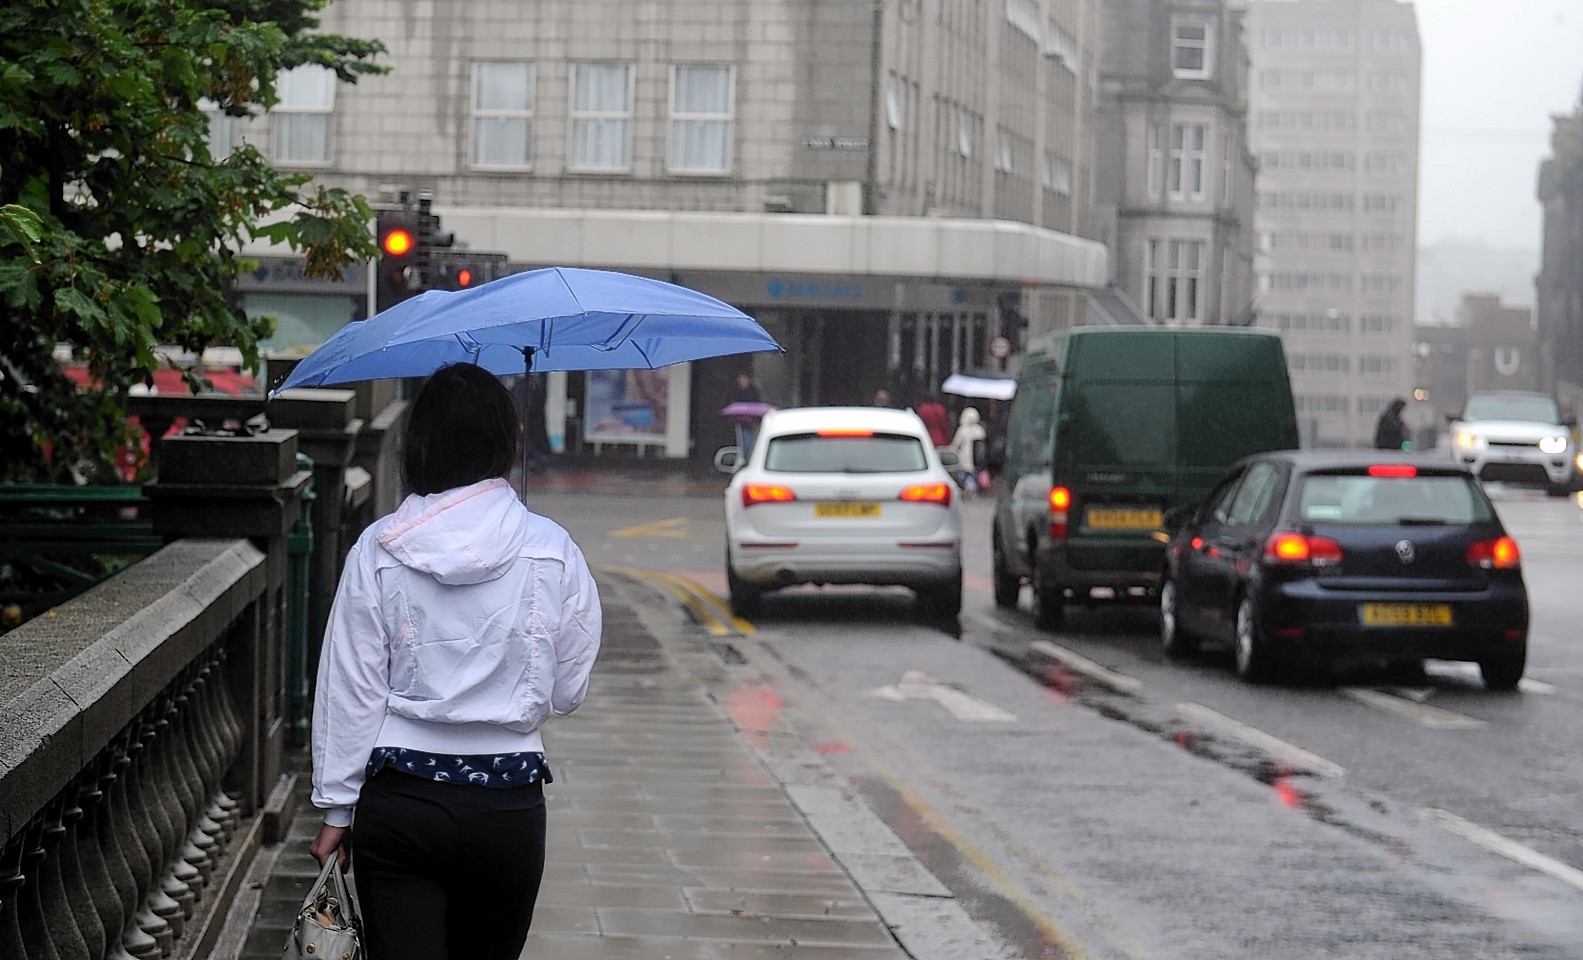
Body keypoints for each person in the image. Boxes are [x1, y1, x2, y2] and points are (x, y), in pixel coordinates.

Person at [308, 362, 602, 960]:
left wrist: (337, 806)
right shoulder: (552, 549)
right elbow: (568, 690)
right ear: (506, 441)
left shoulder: (379, 548)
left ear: (419, 444)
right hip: (509, 806)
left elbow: (351, 687)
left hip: (402, 804)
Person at [950, 406, 988, 495]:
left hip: (964, 459)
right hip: (976, 460)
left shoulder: (962, 430)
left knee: (963, 475)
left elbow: (955, 444)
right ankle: (973, 490)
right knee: (974, 476)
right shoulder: (980, 430)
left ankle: (966, 489)